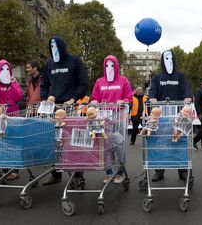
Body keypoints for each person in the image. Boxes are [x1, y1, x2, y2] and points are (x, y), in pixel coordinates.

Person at [41, 35, 89, 185]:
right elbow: (44, 84)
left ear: (62, 46)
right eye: (51, 46)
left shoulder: (74, 61)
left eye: (56, 46)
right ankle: (56, 174)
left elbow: (84, 82)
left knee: (73, 141)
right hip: (54, 108)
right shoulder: (49, 64)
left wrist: (74, 98)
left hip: (70, 107)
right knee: (55, 141)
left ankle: (77, 174)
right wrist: (45, 98)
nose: (53, 49)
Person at [148, 49, 192, 182]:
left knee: (180, 142)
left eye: (171, 59)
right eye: (166, 59)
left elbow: (186, 89)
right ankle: (159, 170)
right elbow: (152, 91)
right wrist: (152, 98)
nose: (169, 62)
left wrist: (187, 97)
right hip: (161, 117)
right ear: (162, 61)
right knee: (160, 143)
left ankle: (183, 170)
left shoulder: (180, 76)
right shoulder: (157, 78)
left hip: (178, 116)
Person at [91, 54, 133, 184]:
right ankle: (109, 172)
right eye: (107, 65)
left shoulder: (123, 80)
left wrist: (123, 101)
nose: (109, 67)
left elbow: (129, 97)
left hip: (119, 117)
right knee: (105, 146)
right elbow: (95, 97)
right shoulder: (99, 82)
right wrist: (94, 103)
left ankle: (119, 172)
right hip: (104, 119)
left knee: (119, 146)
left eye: (112, 65)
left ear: (116, 66)